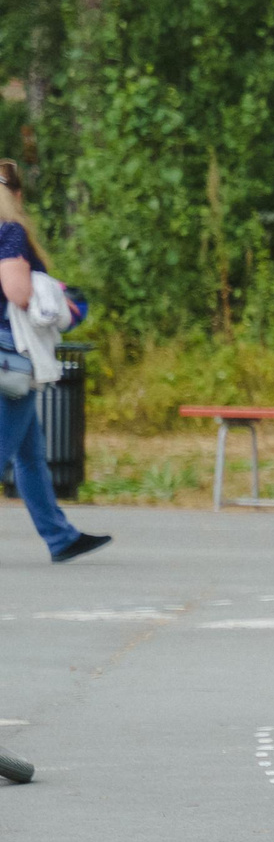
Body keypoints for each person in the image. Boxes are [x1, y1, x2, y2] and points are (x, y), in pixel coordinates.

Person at [0, 160, 109, 564]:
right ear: (17, 195)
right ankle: (60, 537)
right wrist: (47, 294)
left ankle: (60, 537)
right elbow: (17, 291)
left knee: (30, 455)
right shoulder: (9, 231)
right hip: (11, 358)